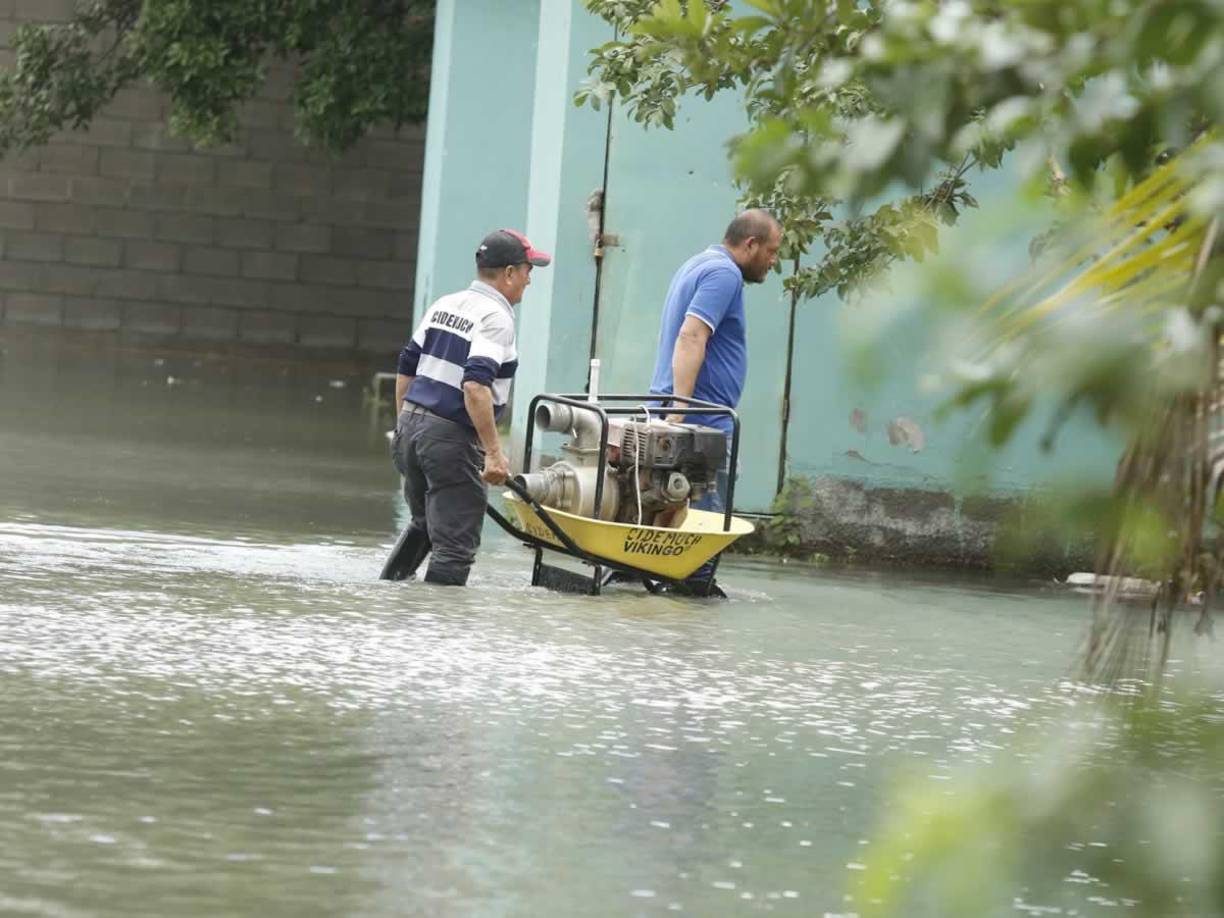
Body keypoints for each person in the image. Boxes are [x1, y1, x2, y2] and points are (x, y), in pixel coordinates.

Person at [383, 229, 551, 586]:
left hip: (412, 427)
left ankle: (389, 597)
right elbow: (475, 386)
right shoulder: (496, 318)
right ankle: (440, 621)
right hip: (450, 437)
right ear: (509, 273)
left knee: (423, 525)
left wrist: (403, 427)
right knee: (455, 548)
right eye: (528, 270)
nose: (529, 279)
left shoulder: (445, 304)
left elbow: (407, 367)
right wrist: (493, 453)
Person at [648, 209, 782, 591]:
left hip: (673, 409)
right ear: (751, 244)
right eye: (772, 251)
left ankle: (657, 591)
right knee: (702, 536)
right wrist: (682, 410)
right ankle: (693, 602)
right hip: (701, 420)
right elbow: (691, 336)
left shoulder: (697, 264)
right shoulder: (724, 274)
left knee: (664, 514)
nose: (773, 261)